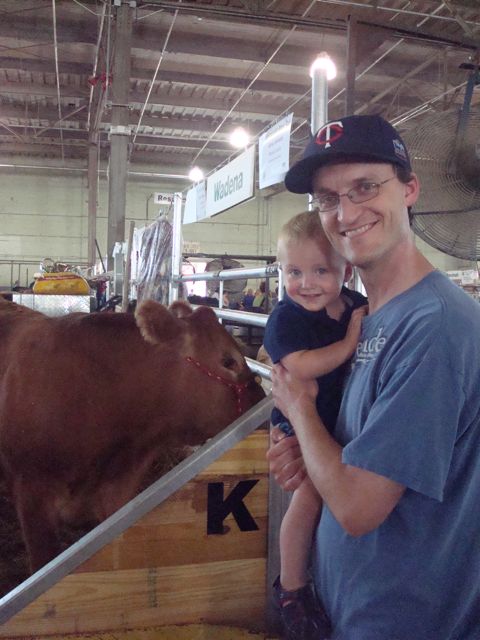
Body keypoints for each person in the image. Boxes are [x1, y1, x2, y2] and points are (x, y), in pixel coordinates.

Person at [267, 114, 480, 640]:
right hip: (353, 602)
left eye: (365, 187)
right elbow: (359, 452)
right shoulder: (364, 317)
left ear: (410, 189)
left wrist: (299, 409)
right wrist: (310, 451)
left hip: (408, 618)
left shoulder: (434, 326)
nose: (345, 213)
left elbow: (358, 507)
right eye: (327, 198)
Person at [263, 210, 366, 640]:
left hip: (332, 421)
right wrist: (350, 343)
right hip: (298, 422)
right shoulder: (286, 318)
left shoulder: (354, 306)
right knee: (308, 498)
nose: (306, 283)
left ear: (346, 270)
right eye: (294, 272)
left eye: (321, 271)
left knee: (323, 497)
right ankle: (291, 587)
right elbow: (300, 368)